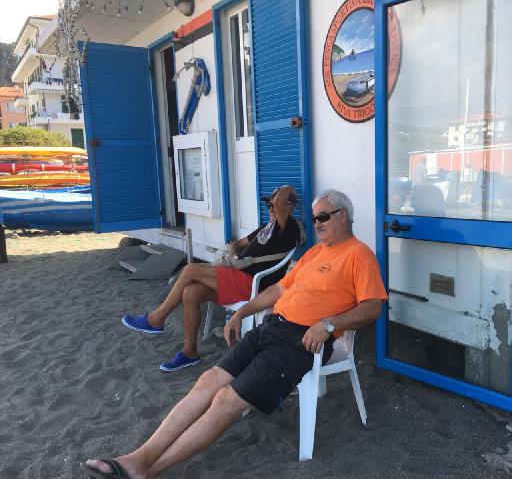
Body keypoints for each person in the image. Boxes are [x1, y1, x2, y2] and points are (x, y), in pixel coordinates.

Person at [84, 189, 387, 479]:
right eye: (314, 218)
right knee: (207, 382)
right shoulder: (314, 254)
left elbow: (373, 307)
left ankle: (147, 469)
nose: (316, 224)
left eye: (322, 217)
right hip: (273, 327)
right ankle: (138, 457)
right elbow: (279, 289)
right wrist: (242, 313)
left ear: (342, 215)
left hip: (302, 340)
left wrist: (329, 324)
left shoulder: (359, 255)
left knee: (225, 400)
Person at [121, 185, 302, 372]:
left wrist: (285, 190)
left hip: (253, 284)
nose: (271, 209)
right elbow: (238, 243)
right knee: (191, 292)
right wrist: (234, 254)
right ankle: (189, 352)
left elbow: (281, 202)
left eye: (274, 205)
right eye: (268, 205)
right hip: (237, 277)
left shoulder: (290, 228)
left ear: (289, 207)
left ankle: (155, 319)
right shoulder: (266, 228)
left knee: (190, 269)